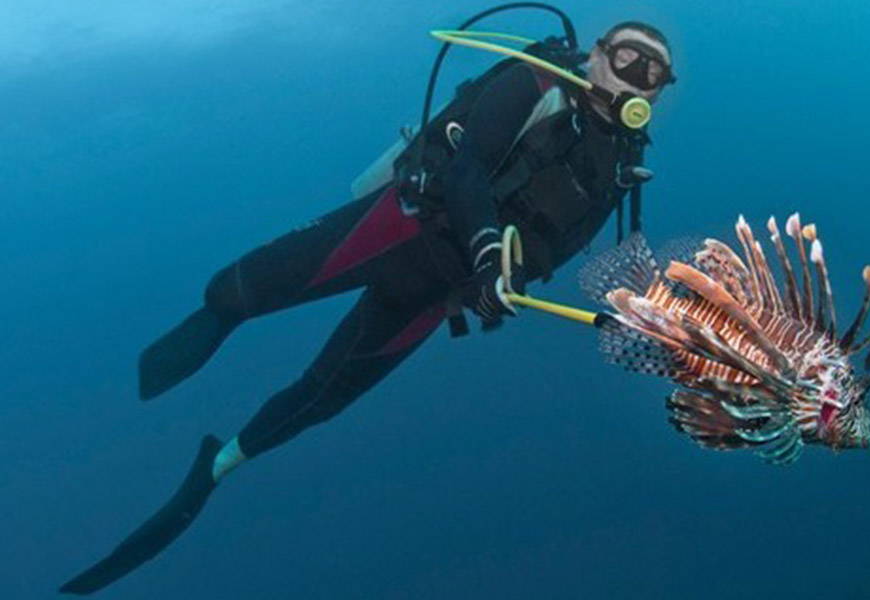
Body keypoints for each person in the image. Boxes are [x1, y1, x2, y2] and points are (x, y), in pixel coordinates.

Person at [60, 19, 675, 595]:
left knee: (317, 400)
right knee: (234, 290)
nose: (636, 77)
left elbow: (562, 248)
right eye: (627, 58)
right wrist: (491, 250)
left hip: (439, 294)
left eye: (653, 73)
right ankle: (207, 327)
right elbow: (468, 171)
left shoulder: (621, 167)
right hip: (399, 229)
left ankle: (216, 469)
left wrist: (502, 286)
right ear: (596, 57)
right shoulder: (535, 81)